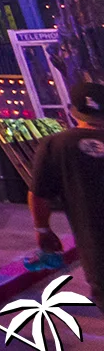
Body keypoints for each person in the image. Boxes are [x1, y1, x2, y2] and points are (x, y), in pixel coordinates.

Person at [29, 79, 104, 293]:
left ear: (72, 112)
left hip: (97, 249)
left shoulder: (55, 145)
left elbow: (38, 194)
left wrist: (43, 230)